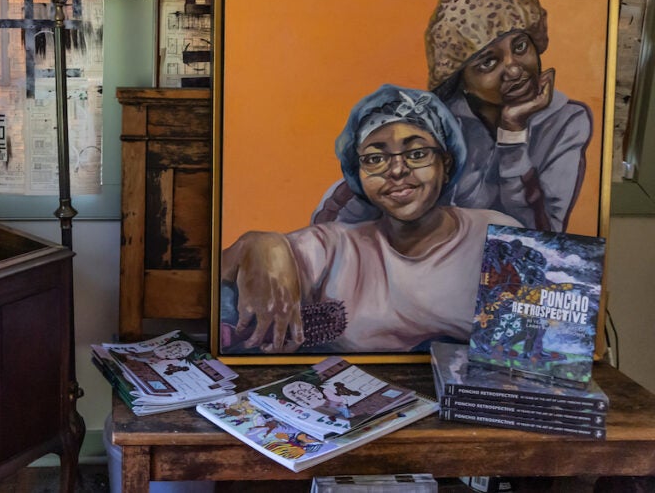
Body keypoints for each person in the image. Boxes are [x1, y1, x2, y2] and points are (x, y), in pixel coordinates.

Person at [221, 85, 521, 354]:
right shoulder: (335, 247)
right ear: (359, 174)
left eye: (416, 153)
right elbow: (219, 282)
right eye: (376, 159)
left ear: (445, 162)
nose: (397, 170)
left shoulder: (497, 236)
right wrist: (261, 243)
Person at [313, 0, 592, 232]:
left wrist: (512, 136)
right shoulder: (434, 118)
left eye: (520, 47)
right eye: (488, 63)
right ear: (460, 79)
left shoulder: (567, 121)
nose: (515, 69)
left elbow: (543, 237)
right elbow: (346, 206)